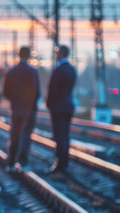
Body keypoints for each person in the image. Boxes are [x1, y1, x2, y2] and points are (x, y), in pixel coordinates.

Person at [3, 46, 40, 172]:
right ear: (29, 56)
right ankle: (23, 162)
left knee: (15, 135)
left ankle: (12, 162)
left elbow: (5, 91)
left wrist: (14, 100)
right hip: (29, 109)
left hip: (16, 108)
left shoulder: (12, 71)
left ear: (19, 55)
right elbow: (37, 92)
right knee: (26, 135)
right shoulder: (33, 72)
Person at [45, 45, 77, 174]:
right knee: (65, 135)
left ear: (61, 54)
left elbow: (53, 90)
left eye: (56, 53)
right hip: (68, 106)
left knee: (59, 136)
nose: (55, 55)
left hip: (58, 108)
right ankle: (65, 161)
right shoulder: (72, 70)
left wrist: (49, 104)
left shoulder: (58, 70)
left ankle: (60, 163)